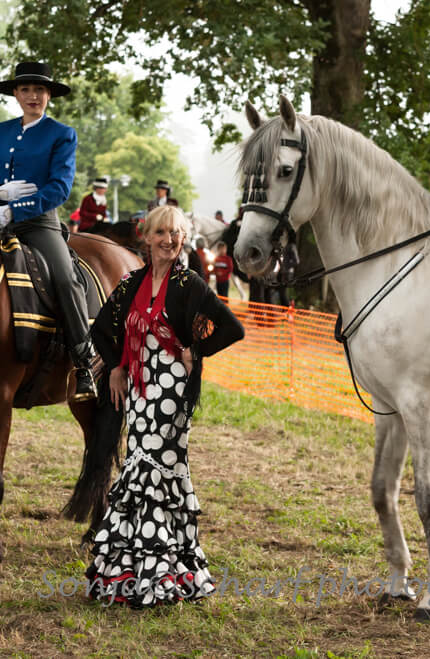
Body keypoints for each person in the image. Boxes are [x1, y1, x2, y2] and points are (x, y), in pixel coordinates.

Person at [85, 205, 244, 608]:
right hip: (138, 387)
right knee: (147, 467)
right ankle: (139, 571)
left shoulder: (189, 283)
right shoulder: (131, 283)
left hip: (173, 389)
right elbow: (101, 329)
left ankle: (155, 574)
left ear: (183, 239)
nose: (169, 240)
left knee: (149, 468)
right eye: (161, 233)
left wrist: (195, 350)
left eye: (176, 233)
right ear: (147, 237)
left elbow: (232, 327)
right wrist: (115, 366)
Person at [0, 61, 97, 401]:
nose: (33, 96)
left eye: (40, 90)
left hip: (38, 223)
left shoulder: (62, 134)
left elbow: (59, 189)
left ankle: (84, 362)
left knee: (65, 278)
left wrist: (15, 209)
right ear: (16, 94)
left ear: (49, 95)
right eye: (26, 89)